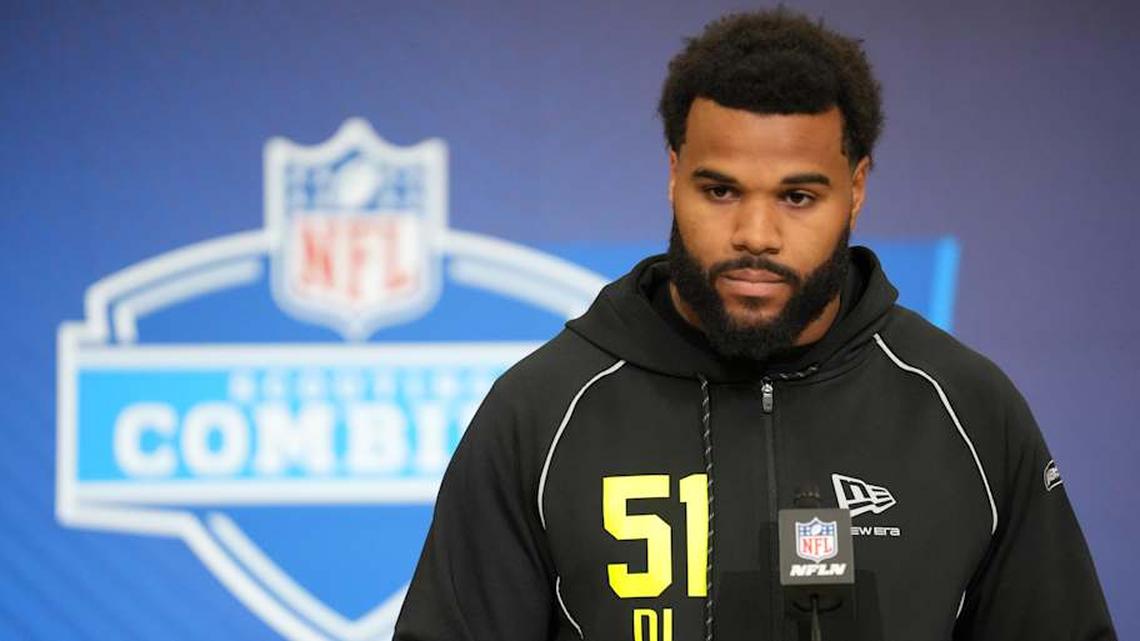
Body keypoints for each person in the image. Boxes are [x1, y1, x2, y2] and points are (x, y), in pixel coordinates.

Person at [393, 9, 1116, 641]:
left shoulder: (966, 410)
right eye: (720, 190)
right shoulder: (542, 411)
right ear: (673, 174)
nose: (756, 233)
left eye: (798, 196)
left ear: (856, 188)